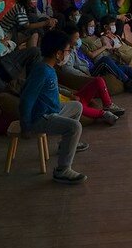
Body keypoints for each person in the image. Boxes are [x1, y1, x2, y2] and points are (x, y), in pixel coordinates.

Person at [19, 29, 89, 185]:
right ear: (58, 53)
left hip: (52, 111)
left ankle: (65, 145)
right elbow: (26, 99)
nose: (68, 54)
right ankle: (62, 170)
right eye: (67, 51)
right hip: (41, 118)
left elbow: (54, 88)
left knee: (76, 106)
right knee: (74, 127)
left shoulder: (48, 68)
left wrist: (69, 94)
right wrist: (25, 126)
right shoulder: (42, 71)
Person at [56, 23, 124, 125]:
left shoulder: (73, 49)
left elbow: (58, 88)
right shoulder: (58, 65)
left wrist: (71, 94)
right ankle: (103, 114)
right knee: (77, 106)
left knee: (99, 80)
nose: (78, 40)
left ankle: (108, 105)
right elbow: (67, 71)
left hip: (74, 97)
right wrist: (86, 77)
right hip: (70, 104)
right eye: (76, 38)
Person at [78, 15, 132, 91]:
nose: (93, 28)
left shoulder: (95, 35)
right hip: (100, 62)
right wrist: (104, 47)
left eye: (93, 26)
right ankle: (128, 82)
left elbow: (108, 44)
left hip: (110, 58)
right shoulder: (81, 41)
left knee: (126, 68)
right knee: (106, 60)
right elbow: (91, 55)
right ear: (83, 27)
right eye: (90, 26)